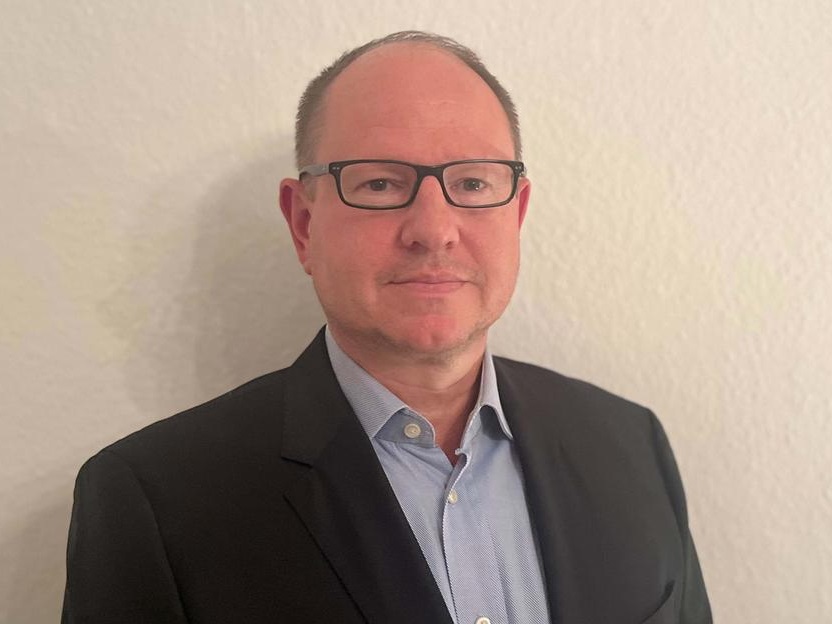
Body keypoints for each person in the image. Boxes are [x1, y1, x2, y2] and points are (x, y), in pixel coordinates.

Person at [62, 31, 711, 624]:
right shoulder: (156, 502)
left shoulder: (633, 446)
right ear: (304, 225)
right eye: (378, 184)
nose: (433, 230)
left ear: (516, 214)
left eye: (473, 182)